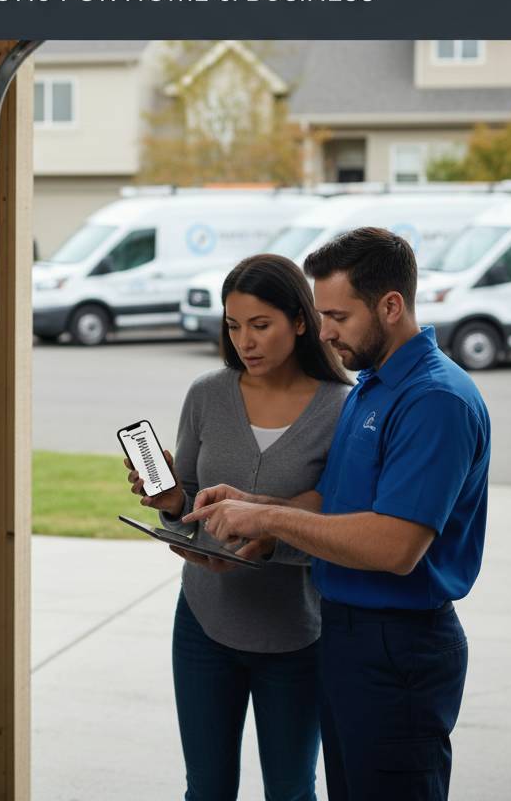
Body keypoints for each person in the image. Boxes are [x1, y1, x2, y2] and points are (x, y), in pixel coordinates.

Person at [184, 228, 490, 801]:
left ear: (391, 306)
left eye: (337, 316)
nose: (322, 331)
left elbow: (395, 546)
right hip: (345, 635)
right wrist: (252, 506)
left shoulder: (435, 401)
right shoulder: (375, 387)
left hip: (398, 646)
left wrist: (269, 523)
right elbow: (333, 504)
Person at [124, 254, 351, 801]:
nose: (244, 341)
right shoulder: (207, 394)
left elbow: (337, 529)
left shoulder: (343, 409)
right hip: (204, 623)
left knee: (292, 792)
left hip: (296, 634)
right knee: (205, 790)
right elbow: (187, 505)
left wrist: (270, 537)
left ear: (300, 321)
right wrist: (171, 500)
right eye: (232, 326)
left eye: (259, 325)